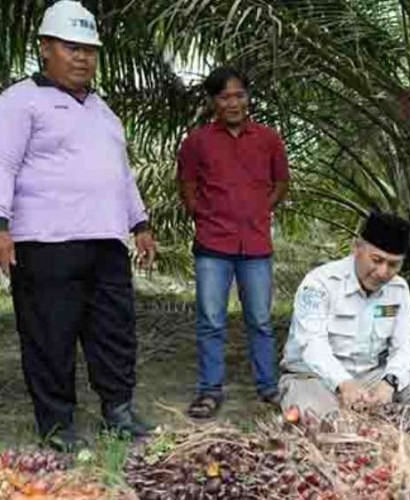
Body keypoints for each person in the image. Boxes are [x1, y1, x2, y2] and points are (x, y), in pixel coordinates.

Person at [0, 0, 156, 450]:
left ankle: (119, 411)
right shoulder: (19, 101)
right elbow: (3, 164)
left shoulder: (103, 111)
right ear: (45, 48)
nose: (83, 57)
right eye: (72, 47)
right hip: (46, 243)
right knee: (50, 335)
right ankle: (56, 423)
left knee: (114, 331)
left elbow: (122, 175)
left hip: (106, 241)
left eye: (90, 48)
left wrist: (140, 223)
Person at [177, 67, 290, 418]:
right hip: (213, 245)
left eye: (239, 95)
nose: (233, 103)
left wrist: (258, 210)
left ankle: (268, 388)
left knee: (260, 319)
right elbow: (187, 188)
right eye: (225, 96)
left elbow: (281, 183)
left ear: (248, 97)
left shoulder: (269, 139)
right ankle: (210, 391)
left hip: (256, 245)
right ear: (213, 101)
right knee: (211, 320)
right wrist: (207, 216)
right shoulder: (197, 142)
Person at [279, 212, 410, 418]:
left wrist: (389, 382)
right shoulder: (320, 284)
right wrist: (343, 383)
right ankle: (353, 421)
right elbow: (312, 345)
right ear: (357, 247)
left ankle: (371, 425)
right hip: (313, 377)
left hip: (368, 377)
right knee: (318, 415)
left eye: (393, 264)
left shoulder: (398, 289)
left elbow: (406, 345)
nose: (383, 272)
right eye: (377, 260)